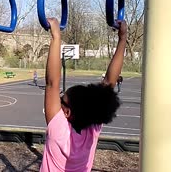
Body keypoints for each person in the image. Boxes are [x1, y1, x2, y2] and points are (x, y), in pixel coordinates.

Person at [40, 18, 127, 172]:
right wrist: (122, 38)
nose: (58, 100)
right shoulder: (92, 129)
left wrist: (56, 37)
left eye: (62, 100)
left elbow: (52, 83)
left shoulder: (58, 129)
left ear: (67, 112)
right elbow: (109, 82)